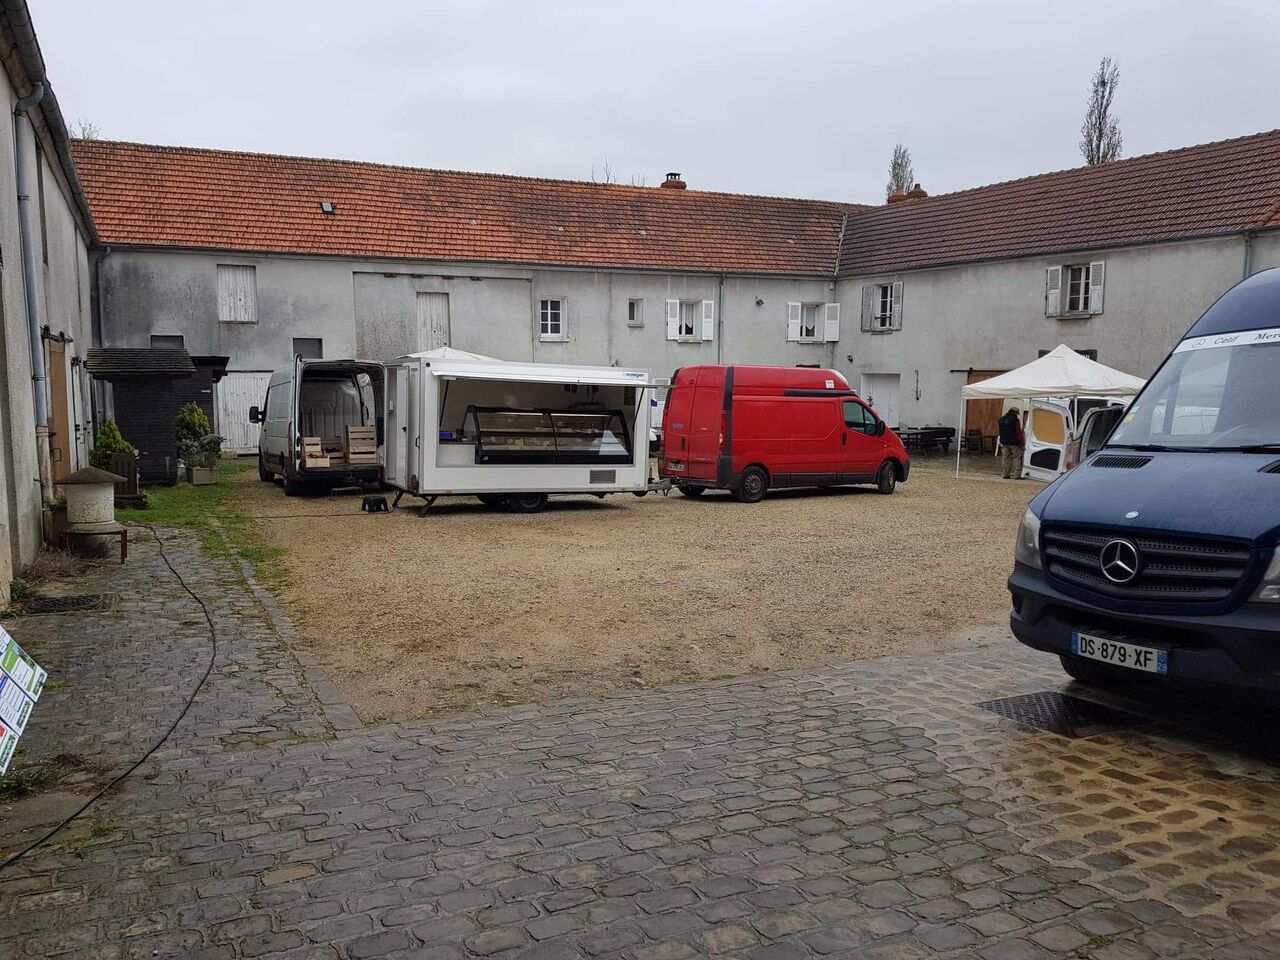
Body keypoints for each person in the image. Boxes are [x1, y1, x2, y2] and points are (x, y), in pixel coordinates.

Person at [998, 408, 1025, 479]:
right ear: (1015, 413)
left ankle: (1005, 474)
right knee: (1017, 458)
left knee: (1005, 458)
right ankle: (1017, 475)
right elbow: (1018, 432)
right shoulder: (1015, 420)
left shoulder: (1001, 420)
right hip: (1014, 443)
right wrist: (1022, 443)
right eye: (1017, 414)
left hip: (1004, 442)